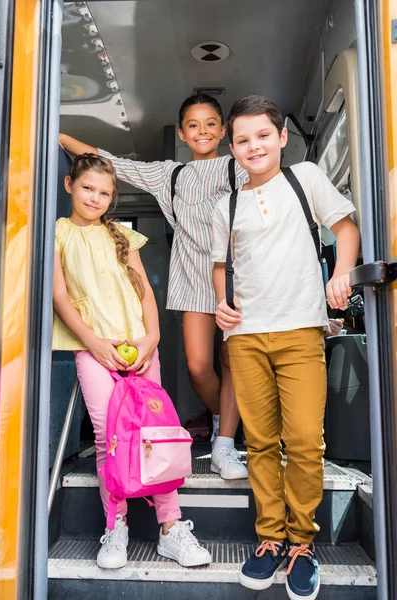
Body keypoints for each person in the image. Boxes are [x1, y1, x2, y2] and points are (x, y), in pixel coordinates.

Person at [212, 96, 360, 600]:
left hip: (300, 331)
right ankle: (270, 539)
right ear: (232, 148)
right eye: (242, 140)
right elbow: (220, 265)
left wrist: (341, 274)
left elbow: (345, 228)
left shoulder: (305, 179)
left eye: (262, 136)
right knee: (259, 442)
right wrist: (220, 303)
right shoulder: (224, 204)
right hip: (246, 336)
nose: (253, 145)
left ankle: (302, 542)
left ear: (280, 138)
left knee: (302, 441)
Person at [59, 93, 249, 480]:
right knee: (198, 366)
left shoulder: (239, 166)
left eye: (211, 123)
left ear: (224, 130)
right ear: (182, 132)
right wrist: (57, 136)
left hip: (238, 274)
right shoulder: (170, 174)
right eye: (193, 125)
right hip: (191, 274)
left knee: (234, 363)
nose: (203, 131)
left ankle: (224, 443)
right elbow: (113, 163)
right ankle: (227, 420)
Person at [52, 153, 212, 570]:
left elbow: (144, 294)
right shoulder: (57, 234)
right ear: (69, 185)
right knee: (109, 436)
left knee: (154, 431)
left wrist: (152, 338)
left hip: (140, 348)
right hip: (93, 348)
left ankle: (170, 527)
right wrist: (93, 342)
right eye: (88, 188)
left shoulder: (123, 235)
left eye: (105, 193)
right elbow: (60, 296)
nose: (96, 197)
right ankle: (115, 525)